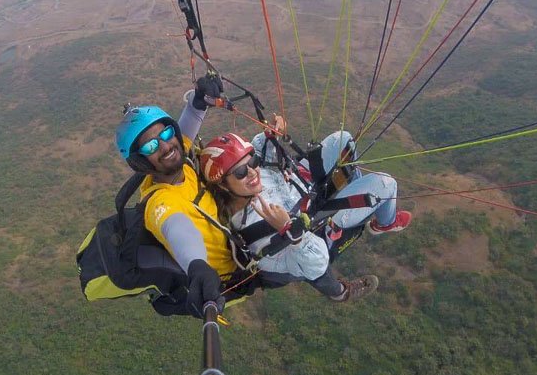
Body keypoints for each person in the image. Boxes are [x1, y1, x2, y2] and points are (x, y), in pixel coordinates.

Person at [200, 116, 411, 300]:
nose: (253, 172)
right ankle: (384, 223)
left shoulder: (251, 178)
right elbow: (316, 267)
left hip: (303, 185)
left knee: (343, 139)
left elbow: (261, 152)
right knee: (385, 184)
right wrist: (292, 233)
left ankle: (353, 187)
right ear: (222, 185)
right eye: (240, 172)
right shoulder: (257, 232)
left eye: (252, 161)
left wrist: (271, 134)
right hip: (317, 222)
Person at [114, 74, 237, 317]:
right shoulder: (158, 202)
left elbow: (190, 119)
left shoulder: (180, 163)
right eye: (150, 147)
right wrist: (197, 265)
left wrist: (199, 100)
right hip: (232, 273)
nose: (165, 147)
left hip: (236, 230)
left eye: (167, 134)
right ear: (141, 162)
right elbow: (176, 227)